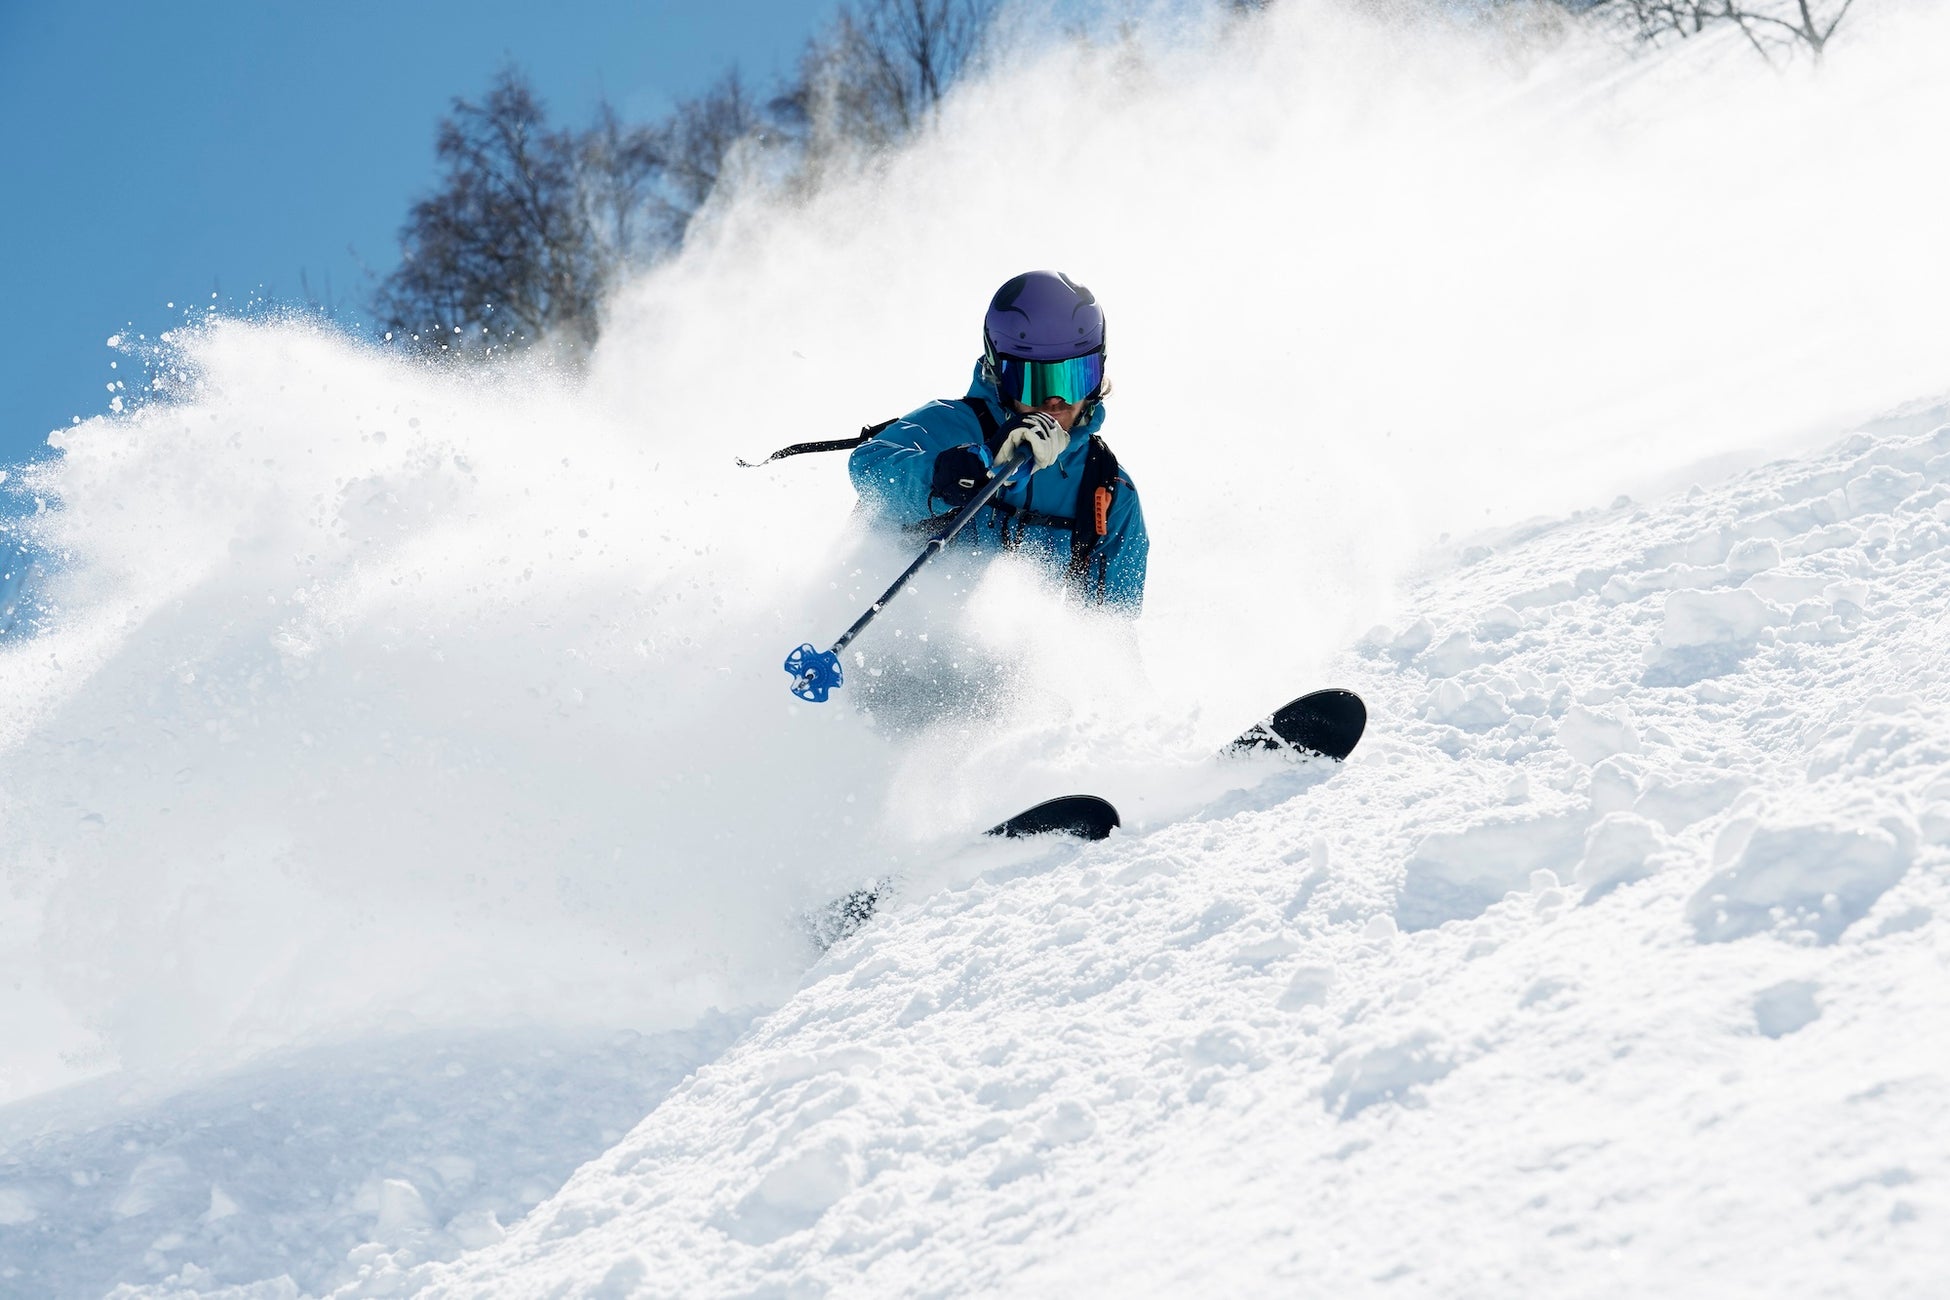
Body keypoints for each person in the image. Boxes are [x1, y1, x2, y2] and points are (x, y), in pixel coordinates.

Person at [849, 270, 1148, 611]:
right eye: (1033, 382)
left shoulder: (1108, 490)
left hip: (1001, 659)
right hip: (882, 641)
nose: (1054, 401)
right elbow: (867, 466)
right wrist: (950, 474)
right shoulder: (952, 425)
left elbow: (1109, 635)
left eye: (1074, 378)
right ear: (999, 373)